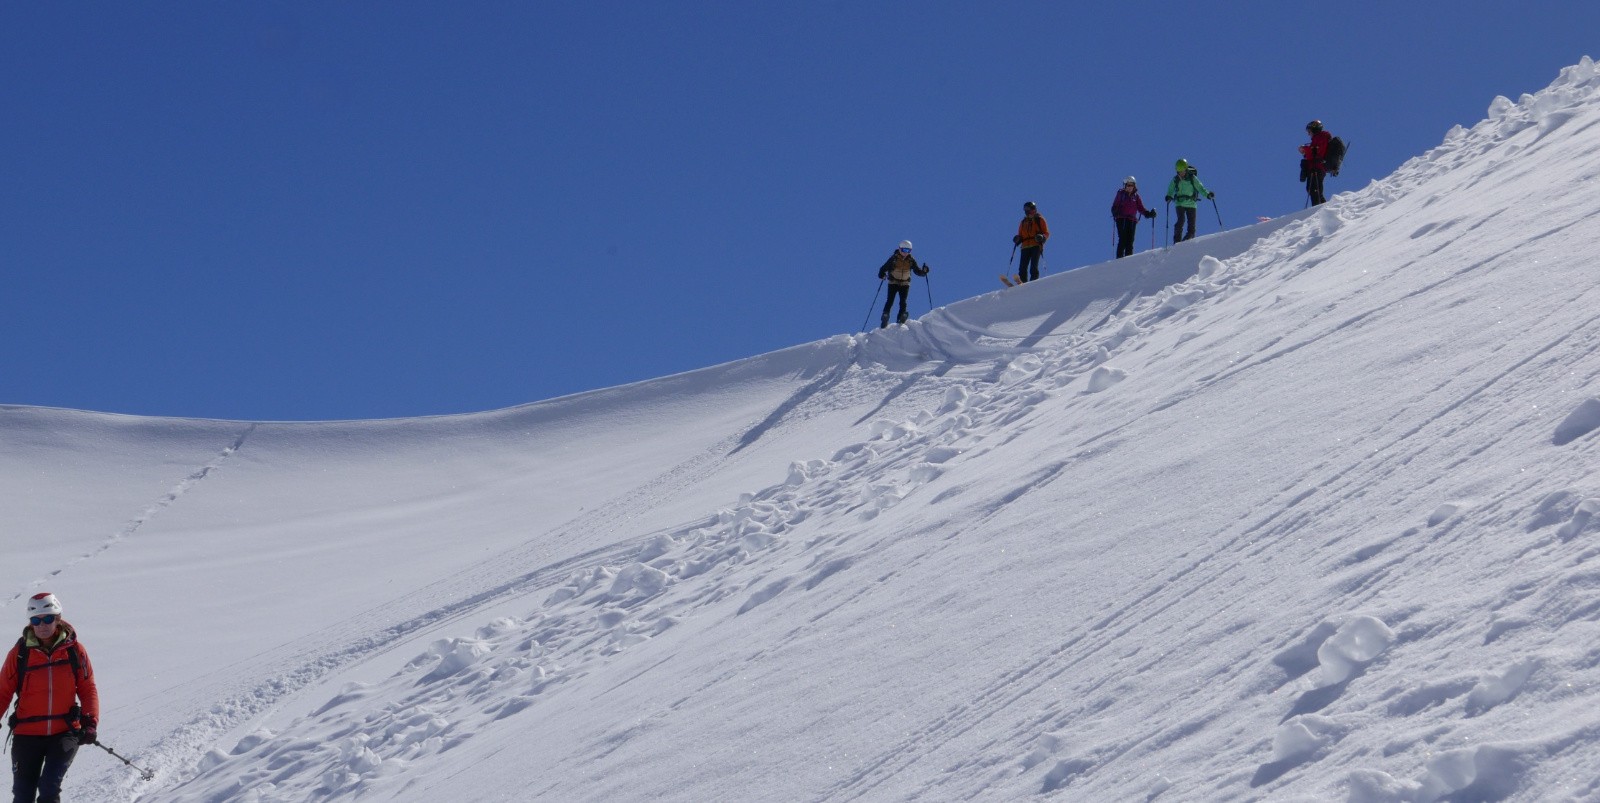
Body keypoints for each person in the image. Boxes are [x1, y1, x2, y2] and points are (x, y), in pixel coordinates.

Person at [1, 593, 99, 803]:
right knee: (23, 794)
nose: (42, 625)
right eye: (36, 620)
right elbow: (3, 690)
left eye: (47, 618)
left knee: (49, 787)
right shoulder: (20, 653)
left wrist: (90, 722)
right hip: (26, 733)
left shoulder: (74, 651)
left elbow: (87, 687)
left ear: (58, 618)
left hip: (64, 732)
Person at [877, 240, 929, 327]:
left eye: (908, 250)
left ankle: (901, 317)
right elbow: (883, 268)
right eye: (904, 250)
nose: (906, 253)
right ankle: (885, 315)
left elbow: (917, 271)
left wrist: (924, 272)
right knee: (890, 300)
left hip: (905, 283)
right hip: (893, 282)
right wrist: (882, 275)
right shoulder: (894, 258)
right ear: (900, 249)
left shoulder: (911, 260)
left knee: (903, 301)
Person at [1164, 159, 1214, 243]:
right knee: (1181, 221)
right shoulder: (1176, 179)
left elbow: (1200, 188)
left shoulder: (1192, 178)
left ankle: (1186, 243)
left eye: (1182, 171)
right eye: (1179, 171)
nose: (1181, 173)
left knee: (1191, 228)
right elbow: (1171, 189)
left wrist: (1208, 195)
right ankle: (1177, 242)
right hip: (1180, 203)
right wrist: (1169, 196)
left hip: (1191, 204)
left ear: (1186, 169)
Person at [1110, 177, 1158, 258]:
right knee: (1123, 238)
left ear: (1134, 186)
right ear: (1125, 186)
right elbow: (1115, 204)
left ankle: (1129, 259)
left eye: (1131, 185)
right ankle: (1119, 259)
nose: (1129, 187)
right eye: (1128, 185)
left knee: (1130, 240)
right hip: (1121, 218)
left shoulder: (1136, 197)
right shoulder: (1121, 194)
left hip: (1132, 220)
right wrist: (1114, 211)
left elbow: (1141, 208)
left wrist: (1149, 214)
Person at [1012, 201, 1049, 283]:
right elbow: (1020, 234)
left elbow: (1046, 233)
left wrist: (1042, 237)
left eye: (1028, 208)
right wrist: (1018, 239)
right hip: (1025, 246)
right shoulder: (1023, 222)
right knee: (1022, 267)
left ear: (1033, 209)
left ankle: (1034, 281)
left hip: (1036, 245)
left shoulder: (1039, 219)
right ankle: (1023, 282)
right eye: (1025, 209)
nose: (1026, 211)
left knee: (1033, 266)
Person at [1300, 119, 1333, 205]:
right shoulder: (1318, 138)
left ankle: (1319, 207)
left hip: (1317, 166)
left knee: (1314, 188)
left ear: (1314, 129)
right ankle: (1321, 206)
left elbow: (1317, 152)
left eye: (1309, 131)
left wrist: (1305, 149)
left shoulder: (1321, 137)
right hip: (1315, 166)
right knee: (1312, 188)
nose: (1309, 134)